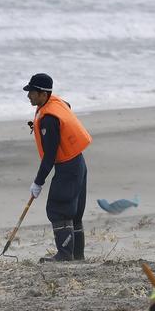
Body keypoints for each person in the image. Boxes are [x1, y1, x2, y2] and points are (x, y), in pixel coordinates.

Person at [22, 73, 94, 262]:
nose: (28, 95)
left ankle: (64, 255)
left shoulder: (49, 120)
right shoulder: (57, 103)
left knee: (58, 208)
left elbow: (50, 156)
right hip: (78, 163)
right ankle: (77, 256)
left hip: (68, 167)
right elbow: (67, 106)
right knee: (74, 212)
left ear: (43, 94)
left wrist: (38, 182)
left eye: (32, 92)